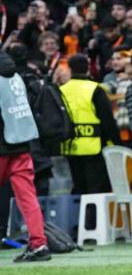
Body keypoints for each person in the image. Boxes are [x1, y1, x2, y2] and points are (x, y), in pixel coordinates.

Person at [0, 50, 49, 262]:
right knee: (27, 197)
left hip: (2, 146)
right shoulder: (16, 76)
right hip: (21, 144)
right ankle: (39, 244)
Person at [59, 54, 119, 194]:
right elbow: (107, 120)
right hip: (94, 147)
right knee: (97, 189)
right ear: (88, 68)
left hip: (70, 147)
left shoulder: (61, 90)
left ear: (70, 69)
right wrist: (116, 142)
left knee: (78, 188)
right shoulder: (95, 89)